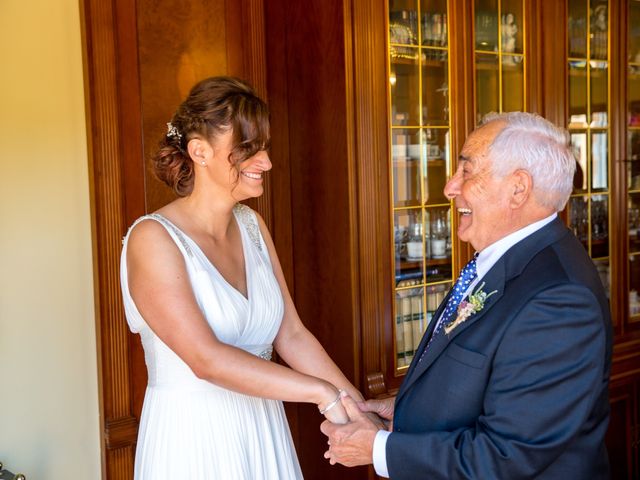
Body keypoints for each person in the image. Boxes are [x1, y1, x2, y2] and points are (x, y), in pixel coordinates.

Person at [321, 112, 612, 479]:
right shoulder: (504, 259)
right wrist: (412, 410)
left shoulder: (559, 299)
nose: (450, 187)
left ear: (518, 189)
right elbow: (492, 381)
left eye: (467, 171)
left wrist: (378, 448)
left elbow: (506, 456)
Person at [120, 76, 361, 479]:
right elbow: (206, 360)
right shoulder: (153, 238)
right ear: (199, 151)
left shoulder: (252, 225)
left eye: (263, 147)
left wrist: (355, 407)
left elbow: (292, 334)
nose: (265, 162)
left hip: (262, 428)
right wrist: (322, 394)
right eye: (247, 150)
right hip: (194, 439)